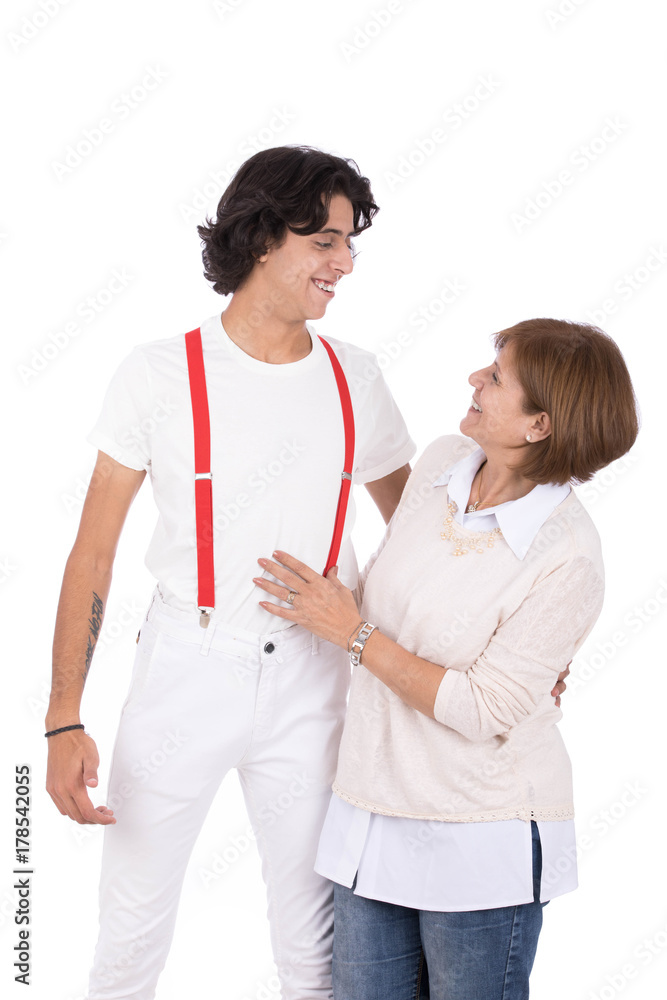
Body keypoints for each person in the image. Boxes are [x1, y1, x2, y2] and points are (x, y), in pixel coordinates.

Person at [44, 145, 418, 1000]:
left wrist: (496, 652)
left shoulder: (355, 377)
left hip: (316, 676)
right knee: (130, 934)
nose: (345, 263)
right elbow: (92, 552)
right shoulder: (157, 373)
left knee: (315, 949)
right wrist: (64, 717)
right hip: (187, 667)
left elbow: (414, 540)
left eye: (349, 243)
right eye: (324, 242)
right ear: (260, 238)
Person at [253, 317, 639, 1000]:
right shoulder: (440, 464)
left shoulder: (568, 556)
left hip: (479, 836)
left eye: (495, 377)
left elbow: (481, 707)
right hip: (371, 813)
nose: (474, 380)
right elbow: (386, 593)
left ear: (540, 425)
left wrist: (353, 634)